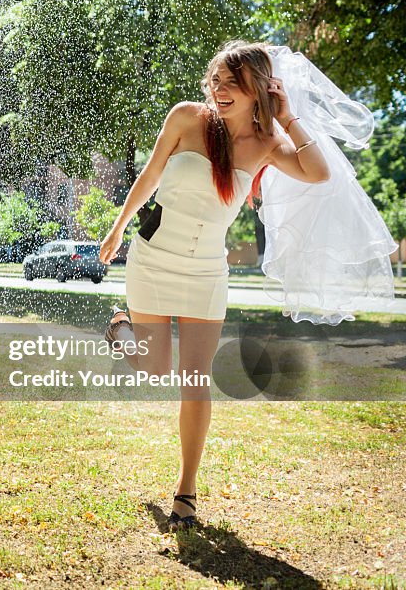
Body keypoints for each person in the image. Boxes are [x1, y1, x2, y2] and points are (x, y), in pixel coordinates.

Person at [97, 40, 330, 532]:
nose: (219, 90)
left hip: (206, 272)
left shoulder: (266, 142)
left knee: (195, 379)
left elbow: (318, 171)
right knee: (157, 370)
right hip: (153, 260)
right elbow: (151, 173)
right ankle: (122, 330)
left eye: (233, 83)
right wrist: (118, 227)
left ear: (259, 90)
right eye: (216, 80)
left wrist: (287, 118)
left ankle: (186, 490)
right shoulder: (186, 117)